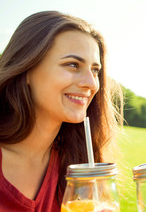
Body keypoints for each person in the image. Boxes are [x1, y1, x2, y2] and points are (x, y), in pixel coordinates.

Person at [0, 11, 123, 211]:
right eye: (73, 65)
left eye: (95, 70)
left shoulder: (79, 169)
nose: (91, 84)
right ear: (26, 69)